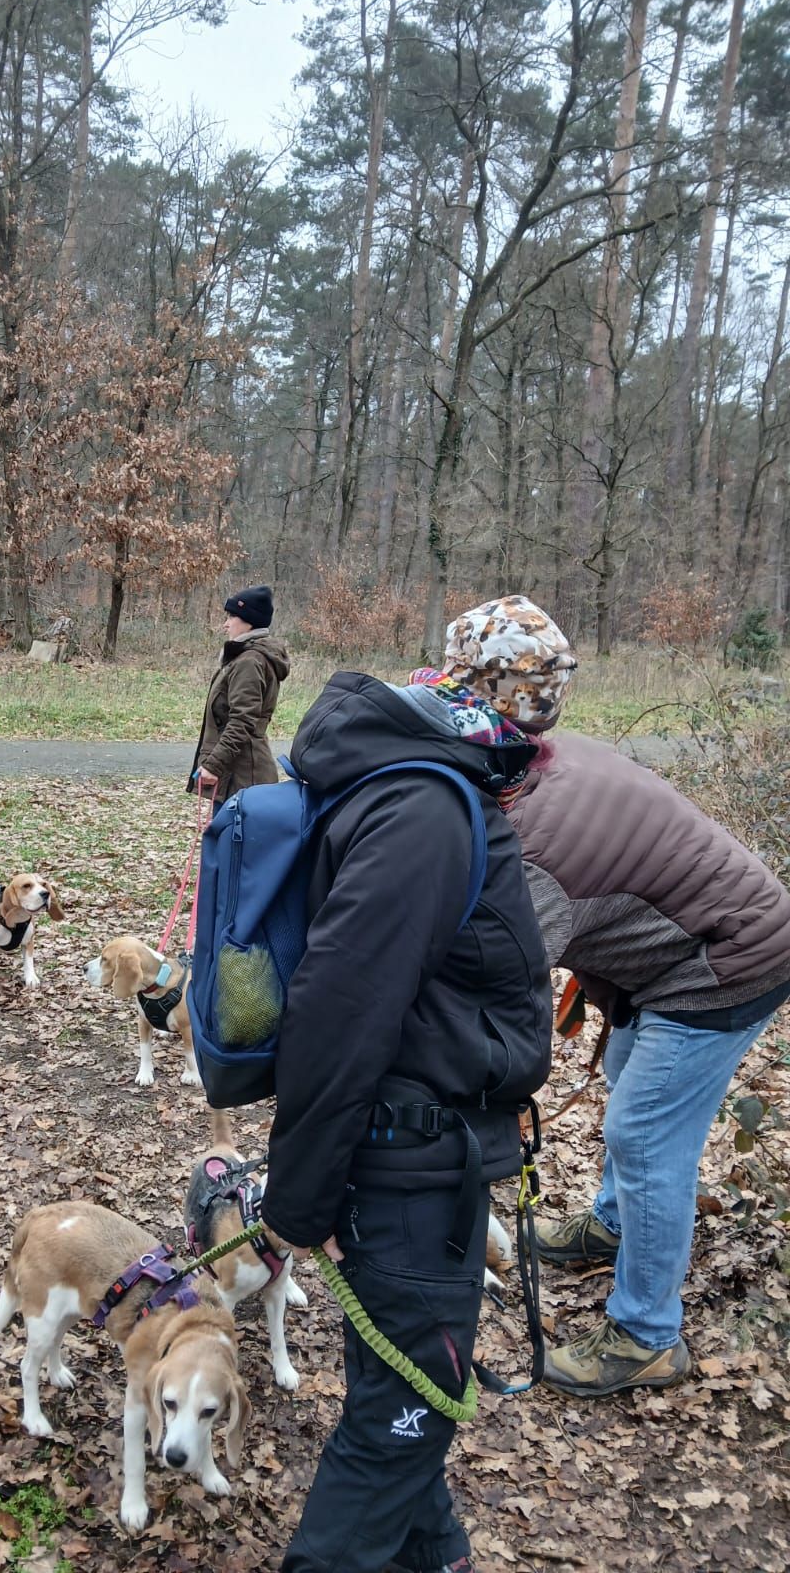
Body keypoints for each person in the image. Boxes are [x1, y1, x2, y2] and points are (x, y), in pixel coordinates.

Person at [439, 593, 790, 1399]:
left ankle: (646, 1336)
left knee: (645, 1134)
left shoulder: (533, 843)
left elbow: (500, 986)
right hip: (683, 956)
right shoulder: (534, 757)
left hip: (728, 963)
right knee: (632, 1086)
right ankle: (611, 1225)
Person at [259, 666, 553, 1573]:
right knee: (398, 1424)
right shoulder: (426, 811)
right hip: (411, 1174)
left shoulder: (410, 786)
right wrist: (298, 1203)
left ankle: (438, 1556)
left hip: (410, 1153)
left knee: (402, 1392)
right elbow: (339, 1011)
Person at [188, 583, 289, 804]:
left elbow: (242, 721)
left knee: (231, 829)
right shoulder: (245, 658)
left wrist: (213, 765)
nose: (226, 624)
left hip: (244, 778)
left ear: (249, 622)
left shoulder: (249, 662)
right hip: (237, 773)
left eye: (232, 616)